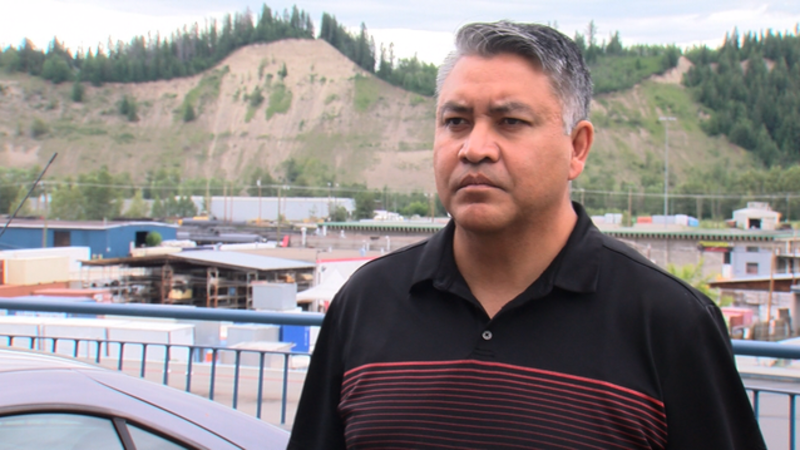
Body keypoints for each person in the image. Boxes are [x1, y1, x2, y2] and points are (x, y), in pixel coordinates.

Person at [288, 21, 766, 449]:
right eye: (456, 122)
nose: (474, 148)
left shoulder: (669, 321)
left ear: (577, 148)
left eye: (510, 122)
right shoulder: (366, 302)